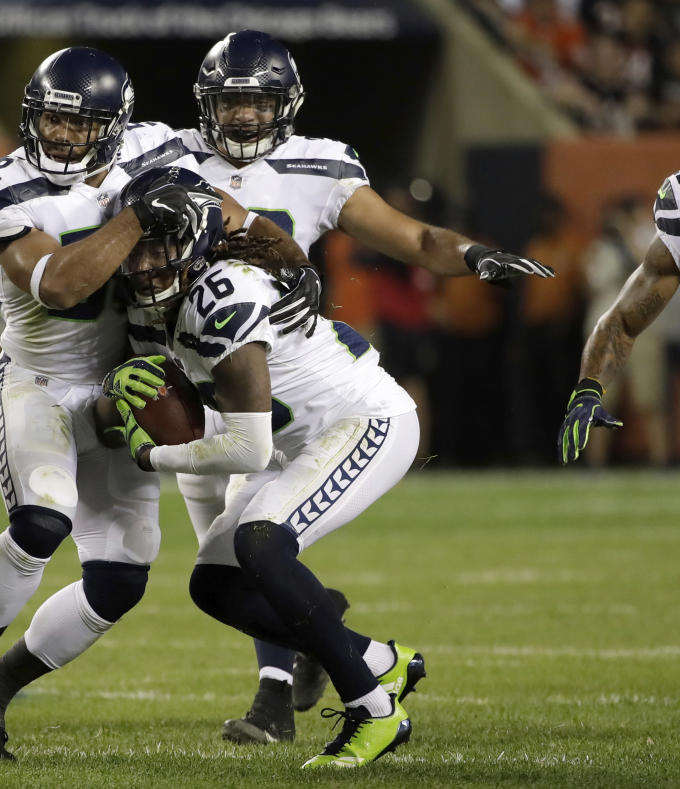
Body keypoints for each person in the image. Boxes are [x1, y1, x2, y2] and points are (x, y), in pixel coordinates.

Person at [150, 28, 556, 744]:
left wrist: (478, 255)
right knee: (221, 579)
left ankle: (356, 701)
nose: (243, 117)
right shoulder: (165, 156)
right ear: (205, 103)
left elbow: (415, 239)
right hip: (225, 392)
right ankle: (354, 661)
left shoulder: (319, 164)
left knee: (259, 546)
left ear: (288, 103)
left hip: (305, 387)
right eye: (231, 102)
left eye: (258, 102)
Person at [0, 46, 315, 761]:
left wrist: (291, 259)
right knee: (42, 517)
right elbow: (60, 285)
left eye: (78, 126)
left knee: (119, 577)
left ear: (115, 126)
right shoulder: (4, 192)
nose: (59, 137)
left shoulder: (154, 146)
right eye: (51, 120)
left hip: (131, 381)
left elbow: (227, 212)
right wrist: (141, 215)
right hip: (41, 384)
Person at [103, 165, 422, 769]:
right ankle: (380, 661)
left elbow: (245, 450)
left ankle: (373, 711)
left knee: (261, 544)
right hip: (295, 441)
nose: (145, 263)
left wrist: (153, 454)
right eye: (135, 245)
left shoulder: (222, 291)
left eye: (161, 244)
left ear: (195, 239)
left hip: (361, 422)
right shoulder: (149, 308)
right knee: (215, 585)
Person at [558, 171, 680, 464]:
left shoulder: (649, 236)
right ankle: (595, 465)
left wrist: (628, 235)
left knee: (651, 399)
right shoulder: (601, 247)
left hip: (648, 329)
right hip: (616, 328)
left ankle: (661, 460)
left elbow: (652, 265)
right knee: (601, 400)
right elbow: (592, 285)